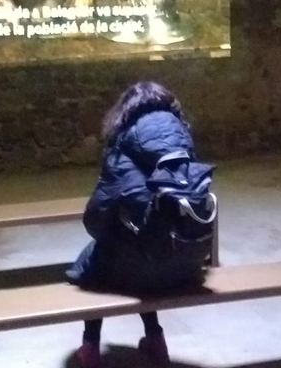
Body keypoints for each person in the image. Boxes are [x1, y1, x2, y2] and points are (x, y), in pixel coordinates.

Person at [66, 81, 209, 368]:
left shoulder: (120, 148)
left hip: (143, 266)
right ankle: (155, 339)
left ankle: (90, 347)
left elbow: (97, 215)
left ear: (125, 111)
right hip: (187, 265)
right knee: (145, 247)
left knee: (98, 258)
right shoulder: (183, 146)